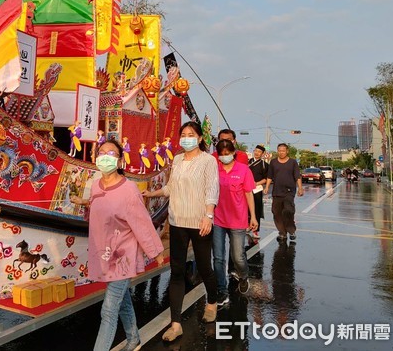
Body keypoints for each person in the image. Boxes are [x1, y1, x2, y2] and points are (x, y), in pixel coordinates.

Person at [71, 139, 164, 351]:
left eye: (111, 153)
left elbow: (142, 223)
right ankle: (134, 339)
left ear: (120, 160)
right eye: (101, 152)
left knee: (108, 310)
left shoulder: (129, 189)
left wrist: (156, 251)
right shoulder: (95, 185)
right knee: (122, 301)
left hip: (123, 255)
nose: (105, 156)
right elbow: (99, 208)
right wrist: (84, 203)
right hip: (104, 253)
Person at [143, 121, 219, 339]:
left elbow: (212, 189)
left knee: (205, 268)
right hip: (177, 222)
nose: (186, 138)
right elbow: (171, 188)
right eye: (183, 134)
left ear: (200, 138)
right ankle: (175, 324)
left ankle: (212, 302)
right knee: (176, 271)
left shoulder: (208, 161)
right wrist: (153, 194)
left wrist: (208, 216)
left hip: (200, 223)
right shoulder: (177, 160)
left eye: (191, 134)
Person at [213, 139, 258, 309]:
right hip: (217, 218)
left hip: (238, 220)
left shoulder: (243, 169)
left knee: (238, 256)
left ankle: (244, 276)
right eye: (221, 154)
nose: (225, 157)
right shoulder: (214, 169)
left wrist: (252, 216)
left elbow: (248, 194)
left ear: (234, 153)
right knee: (218, 258)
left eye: (227, 154)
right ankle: (222, 291)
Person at [264, 143, 303, 242]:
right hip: (277, 191)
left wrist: (300, 188)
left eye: (283, 151)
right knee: (276, 213)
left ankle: (291, 230)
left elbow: (297, 176)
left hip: (289, 191)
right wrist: (267, 187)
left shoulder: (293, 162)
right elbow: (269, 176)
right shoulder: (273, 162)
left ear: (287, 151)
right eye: (279, 150)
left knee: (288, 210)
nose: (281, 152)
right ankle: (282, 232)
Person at [248, 144, 269, 238]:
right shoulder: (247, 162)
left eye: (259, 152)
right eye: (255, 151)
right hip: (246, 188)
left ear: (263, 154)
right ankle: (247, 226)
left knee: (256, 209)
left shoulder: (265, 165)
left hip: (257, 189)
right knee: (245, 208)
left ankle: (255, 230)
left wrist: (256, 183)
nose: (257, 153)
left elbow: (267, 178)